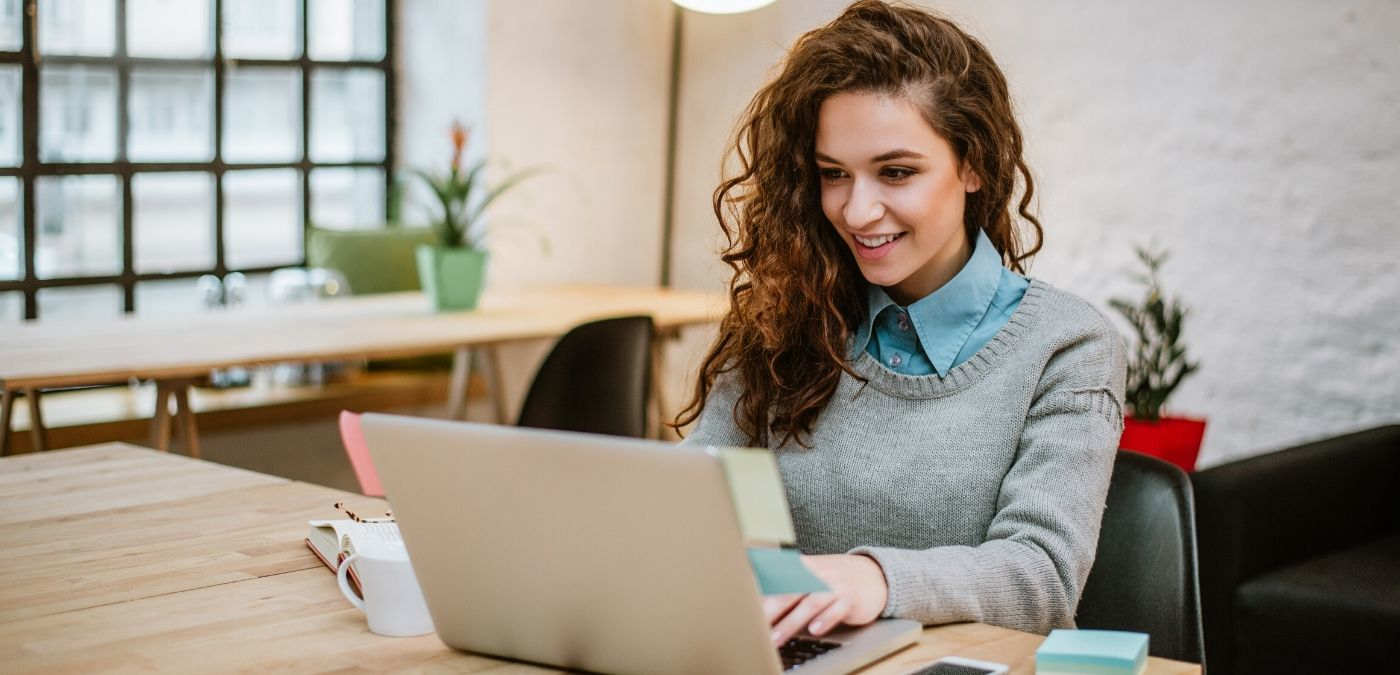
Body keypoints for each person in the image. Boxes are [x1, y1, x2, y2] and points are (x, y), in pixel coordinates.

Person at [673, 0, 1127, 646]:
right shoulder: (787, 316)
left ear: (973, 165)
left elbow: (1041, 574)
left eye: (896, 172)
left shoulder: (1068, 346)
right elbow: (690, 501)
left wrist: (872, 577)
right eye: (834, 175)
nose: (858, 211)